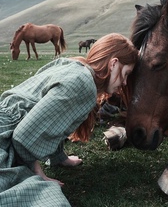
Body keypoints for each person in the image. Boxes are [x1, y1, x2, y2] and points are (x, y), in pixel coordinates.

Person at [0, 33, 138, 206]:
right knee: (48, 200)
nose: (124, 83)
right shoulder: (84, 85)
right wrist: (38, 174)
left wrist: (59, 158)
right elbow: (24, 138)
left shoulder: (72, 64)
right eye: (126, 74)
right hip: (4, 137)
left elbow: (51, 118)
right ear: (114, 63)